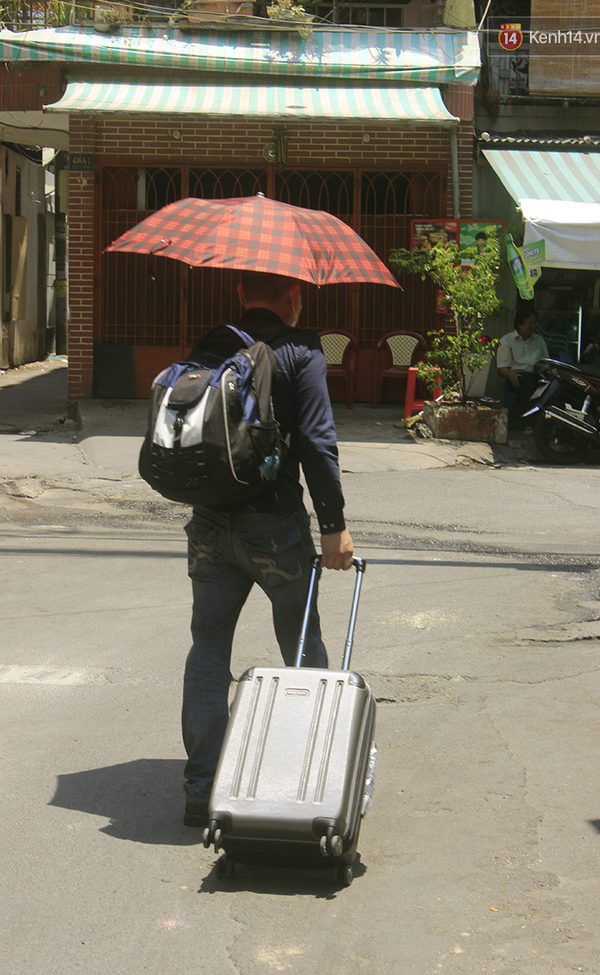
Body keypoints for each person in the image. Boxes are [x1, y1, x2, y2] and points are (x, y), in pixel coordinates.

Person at [181, 271, 354, 828]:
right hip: (276, 528)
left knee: (207, 648)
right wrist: (333, 526)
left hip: (210, 522)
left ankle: (200, 788)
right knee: (304, 652)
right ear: (294, 297)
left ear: (240, 295)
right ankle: (308, 781)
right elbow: (316, 442)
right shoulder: (302, 351)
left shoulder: (211, 344)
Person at [496, 305, 548, 431]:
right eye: (530, 324)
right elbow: (502, 366)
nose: (533, 327)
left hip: (537, 374)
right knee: (527, 383)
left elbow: (546, 361)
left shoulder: (539, 340)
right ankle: (529, 424)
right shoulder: (507, 340)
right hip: (517, 377)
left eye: (534, 323)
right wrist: (510, 375)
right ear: (520, 324)